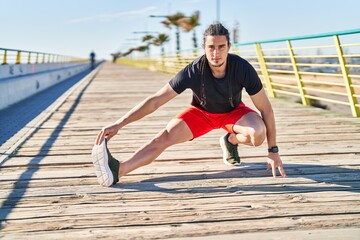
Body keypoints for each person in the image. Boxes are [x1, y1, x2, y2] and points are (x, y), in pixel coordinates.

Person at [91, 23, 286, 187]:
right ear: (204, 47)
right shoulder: (193, 71)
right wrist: (119, 124)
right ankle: (118, 170)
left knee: (257, 134)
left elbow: (265, 108)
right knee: (163, 138)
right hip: (201, 113)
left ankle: (230, 141)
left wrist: (273, 151)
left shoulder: (243, 68)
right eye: (211, 47)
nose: (216, 53)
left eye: (221, 47)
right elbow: (155, 101)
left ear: (228, 47)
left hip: (233, 113)